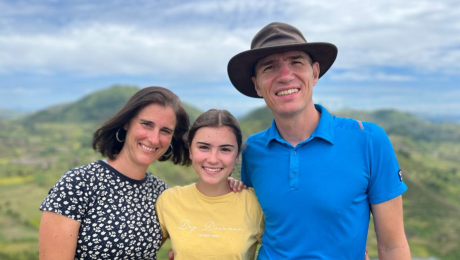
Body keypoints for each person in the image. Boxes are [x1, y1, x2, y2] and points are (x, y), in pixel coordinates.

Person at [227, 22, 412, 259]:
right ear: (257, 85)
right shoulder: (252, 150)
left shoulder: (368, 140)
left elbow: (393, 247)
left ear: (314, 73)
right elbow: (252, 230)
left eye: (296, 62)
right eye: (270, 67)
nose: (285, 76)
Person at [39, 87, 192, 260]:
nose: (154, 139)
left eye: (165, 130)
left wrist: (227, 186)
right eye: (147, 124)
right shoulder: (78, 183)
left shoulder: (160, 192)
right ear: (127, 123)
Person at [156, 109, 264, 260]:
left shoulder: (255, 203)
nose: (213, 159)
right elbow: (140, 252)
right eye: (204, 147)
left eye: (225, 149)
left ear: (237, 155)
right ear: (190, 150)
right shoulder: (169, 200)